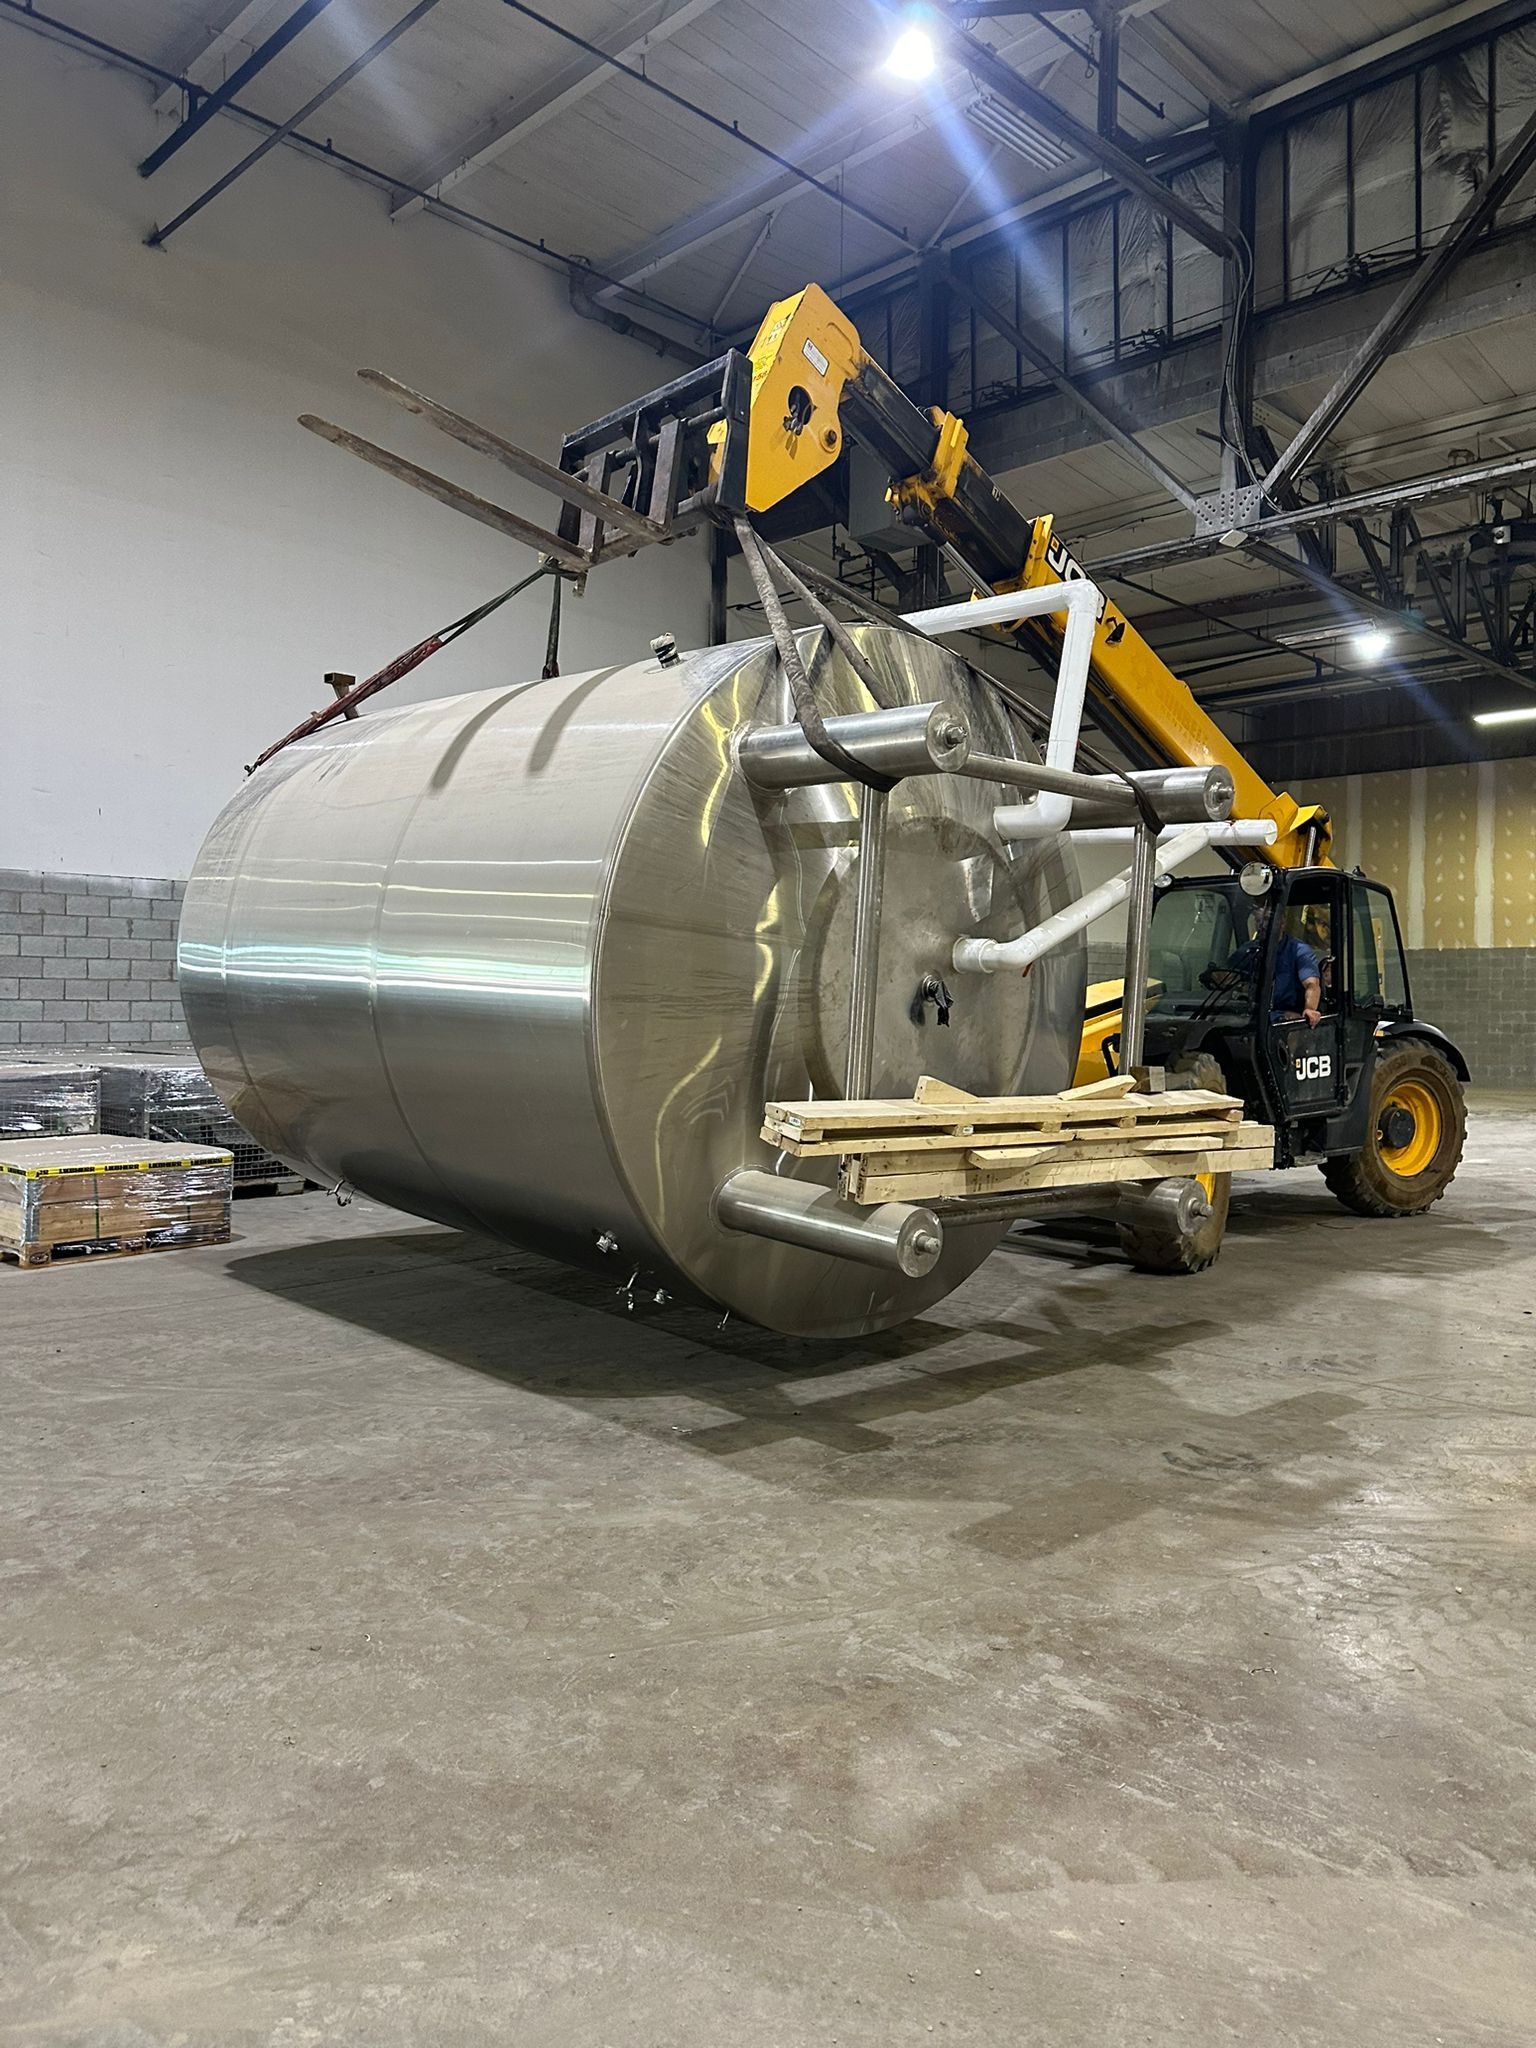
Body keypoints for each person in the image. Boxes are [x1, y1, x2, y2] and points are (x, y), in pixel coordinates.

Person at [1203, 899, 1324, 1026]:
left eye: (1266, 920)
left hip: (1283, 1019)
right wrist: (1214, 976)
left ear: (1282, 922)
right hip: (1250, 1015)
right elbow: (1228, 975)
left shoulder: (1299, 950)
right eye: (1258, 920)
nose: (1262, 925)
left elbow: (1312, 985)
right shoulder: (1248, 949)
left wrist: (1310, 1009)